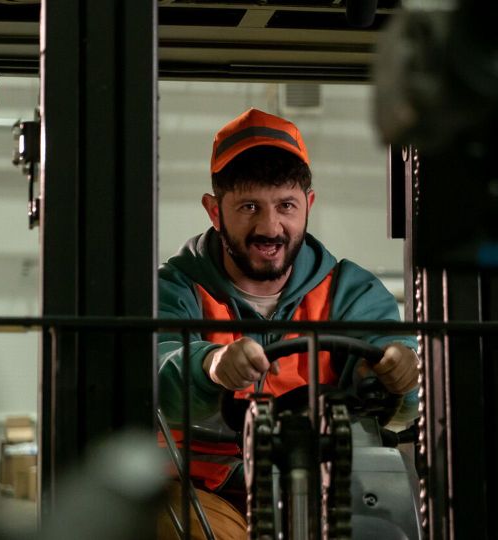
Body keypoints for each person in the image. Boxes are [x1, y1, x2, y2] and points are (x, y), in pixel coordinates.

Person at [156, 108, 420, 539]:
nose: (270, 226)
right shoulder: (174, 289)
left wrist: (400, 373)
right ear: (214, 211)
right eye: (249, 207)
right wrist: (211, 365)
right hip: (205, 490)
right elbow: (150, 368)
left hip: (329, 487)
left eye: (286, 206)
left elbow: (398, 379)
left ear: (308, 205)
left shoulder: (351, 292)